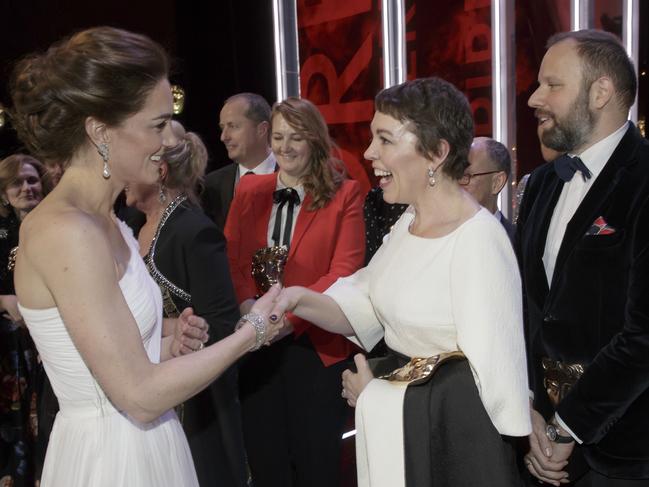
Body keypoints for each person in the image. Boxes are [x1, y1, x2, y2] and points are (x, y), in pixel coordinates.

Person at [9, 26, 283, 487]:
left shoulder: (109, 222)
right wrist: (250, 333)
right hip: (110, 461)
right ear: (100, 132)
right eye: (156, 125)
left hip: (148, 444)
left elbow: (114, 355)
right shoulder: (66, 231)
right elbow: (137, 396)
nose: (168, 142)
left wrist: (166, 343)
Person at [268, 78, 532, 487]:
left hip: (451, 459)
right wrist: (296, 299)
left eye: (385, 139)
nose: (369, 152)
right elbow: (365, 301)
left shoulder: (478, 240)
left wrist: (376, 395)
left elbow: (484, 394)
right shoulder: (409, 223)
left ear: (436, 153)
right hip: (408, 440)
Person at [518, 29, 649, 486]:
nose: (535, 98)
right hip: (542, 443)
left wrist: (567, 424)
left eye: (552, 85)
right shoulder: (539, 185)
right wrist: (533, 411)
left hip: (626, 452)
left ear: (601, 92)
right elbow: (530, 310)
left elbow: (643, 338)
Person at [224, 97, 365, 487]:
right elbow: (233, 261)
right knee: (267, 463)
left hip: (315, 348)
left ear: (315, 140)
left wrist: (287, 319)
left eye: (296, 137)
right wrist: (251, 310)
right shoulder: (249, 191)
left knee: (316, 464)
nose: (284, 147)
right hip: (256, 348)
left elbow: (343, 272)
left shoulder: (345, 194)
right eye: (279, 137)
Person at [124, 121, 247, 487]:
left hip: (191, 406)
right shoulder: (130, 225)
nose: (120, 178)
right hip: (139, 387)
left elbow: (223, 324)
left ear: (158, 170)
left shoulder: (194, 231)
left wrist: (186, 331)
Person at [0, 154, 46, 487]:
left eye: (32, 180)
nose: (26, 187)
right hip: (7, 349)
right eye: (17, 182)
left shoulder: (55, 225)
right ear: (3, 193)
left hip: (47, 342)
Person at [202, 92, 276, 231]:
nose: (223, 137)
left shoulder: (293, 178)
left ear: (262, 129)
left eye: (233, 126)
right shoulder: (211, 186)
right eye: (222, 128)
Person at [463, 137, 515, 239]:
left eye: (467, 176)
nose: (458, 183)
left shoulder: (518, 244)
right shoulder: (440, 237)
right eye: (455, 174)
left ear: (497, 182)